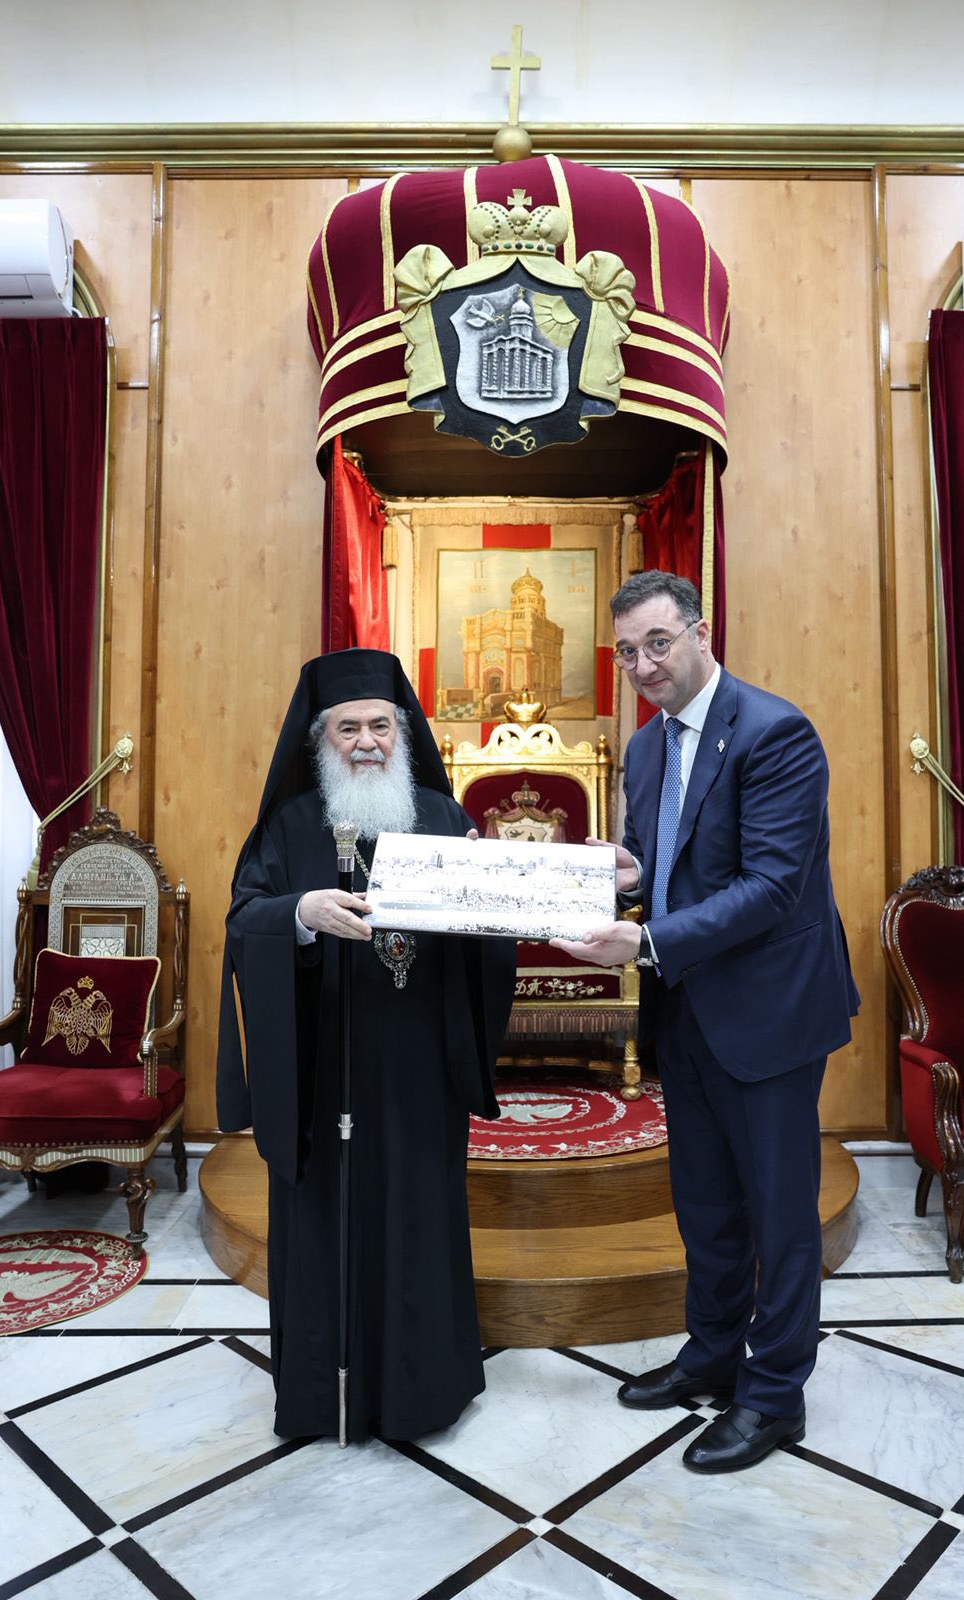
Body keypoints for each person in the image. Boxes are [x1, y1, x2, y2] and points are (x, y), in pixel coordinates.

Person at [552, 571, 859, 1473]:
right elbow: (677, 864)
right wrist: (631, 874)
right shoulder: (646, 748)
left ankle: (775, 1395)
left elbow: (770, 887)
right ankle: (712, 1355)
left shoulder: (775, 732)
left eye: (658, 642)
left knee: (779, 1214)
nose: (644, 665)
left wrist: (645, 942)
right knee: (707, 1205)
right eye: (627, 653)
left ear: (699, 633)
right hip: (686, 1009)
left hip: (769, 1012)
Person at [216, 648, 515, 1443]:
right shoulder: (288, 825)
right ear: (321, 739)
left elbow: (491, 934)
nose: (366, 742)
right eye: (347, 728)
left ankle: (423, 1390)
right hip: (324, 1070)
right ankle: (324, 1392)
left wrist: (491, 891)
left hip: (419, 1070)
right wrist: (300, 914)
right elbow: (244, 919)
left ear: (402, 732)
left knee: (418, 1219)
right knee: (326, 1221)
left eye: (380, 725)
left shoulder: (441, 816)